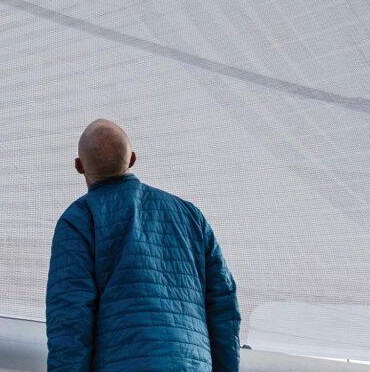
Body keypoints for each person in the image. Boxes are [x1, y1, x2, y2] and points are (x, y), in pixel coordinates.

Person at [46, 119, 241, 372]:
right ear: (132, 159)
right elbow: (224, 308)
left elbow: (70, 317)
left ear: (79, 166)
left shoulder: (79, 220)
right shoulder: (191, 217)